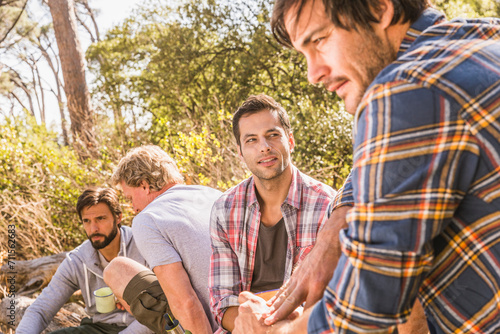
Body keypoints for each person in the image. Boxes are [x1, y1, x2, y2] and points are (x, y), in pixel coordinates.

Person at [233, 0, 500, 333]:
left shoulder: (406, 86)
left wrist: (271, 330)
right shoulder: (482, 38)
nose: (313, 73)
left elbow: (362, 314)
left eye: (320, 40)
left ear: (378, 9)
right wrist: (341, 215)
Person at [209, 94, 336, 333]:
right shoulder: (225, 209)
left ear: (290, 140)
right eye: (251, 140)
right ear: (240, 151)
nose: (264, 147)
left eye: (272, 135)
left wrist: (269, 324)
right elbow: (222, 302)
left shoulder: (327, 206)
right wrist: (256, 325)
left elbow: (328, 298)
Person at [103, 145, 222, 334]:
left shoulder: (147, 219)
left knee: (116, 270)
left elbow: (185, 301)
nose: (133, 207)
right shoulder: (213, 194)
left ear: (144, 185)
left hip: (212, 325)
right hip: (248, 314)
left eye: (131, 197)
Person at [16, 187, 152, 334]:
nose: (93, 228)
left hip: (149, 327)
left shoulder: (144, 245)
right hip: (99, 329)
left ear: (118, 217)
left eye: (100, 219)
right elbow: (41, 309)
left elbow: (165, 308)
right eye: (86, 221)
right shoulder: (78, 260)